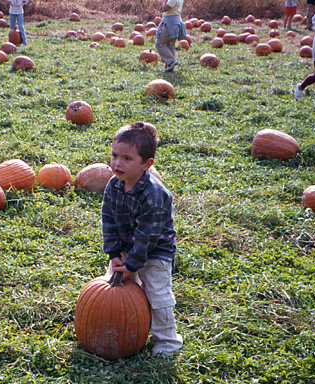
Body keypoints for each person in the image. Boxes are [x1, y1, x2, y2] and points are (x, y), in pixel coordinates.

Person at [102, 122, 182, 358]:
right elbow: (109, 221)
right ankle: (119, 331)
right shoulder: (113, 185)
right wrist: (115, 255)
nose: (117, 163)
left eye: (127, 158)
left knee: (157, 295)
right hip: (127, 247)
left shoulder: (154, 196)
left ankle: (167, 340)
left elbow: (147, 237)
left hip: (155, 251)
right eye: (115, 155)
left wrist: (132, 265)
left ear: (147, 164)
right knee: (113, 289)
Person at [154, 0, 187, 72]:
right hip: (176, 23)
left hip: (170, 23)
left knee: (159, 44)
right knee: (170, 45)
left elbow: (165, 8)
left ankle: (171, 61)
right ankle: (170, 67)